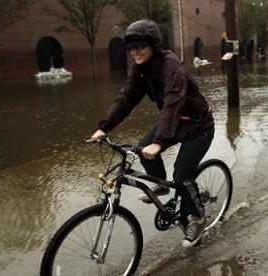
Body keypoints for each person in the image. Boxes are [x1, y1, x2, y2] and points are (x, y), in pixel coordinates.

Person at [89, 19, 214, 248]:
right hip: (174, 122)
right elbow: (126, 98)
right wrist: (103, 128)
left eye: (140, 46)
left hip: (198, 125)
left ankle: (197, 218)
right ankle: (163, 185)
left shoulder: (170, 64)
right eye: (131, 48)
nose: (135, 52)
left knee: (182, 175)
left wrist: (159, 141)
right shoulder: (139, 69)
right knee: (140, 148)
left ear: (153, 45)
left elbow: (174, 101)